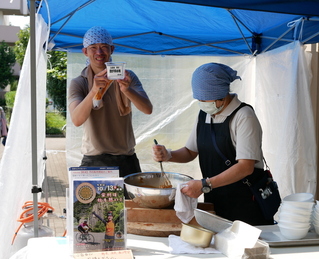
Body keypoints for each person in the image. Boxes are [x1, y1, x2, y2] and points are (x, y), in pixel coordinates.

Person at [152, 62, 273, 226]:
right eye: (199, 98)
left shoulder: (244, 116)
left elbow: (246, 166)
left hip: (245, 203)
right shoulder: (205, 114)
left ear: (221, 94)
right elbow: (190, 151)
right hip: (215, 200)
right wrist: (169, 155)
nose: (201, 102)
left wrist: (204, 184)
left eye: (204, 97)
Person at [68, 26, 153, 177]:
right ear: (85, 52)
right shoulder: (79, 83)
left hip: (126, 159)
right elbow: (76, 119)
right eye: (93, 48)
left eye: (104, 47)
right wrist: (94, 90)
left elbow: (147, 109)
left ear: (112, 49)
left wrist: (127, 90)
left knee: (132, 201)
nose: (99, 52)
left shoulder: (126, 76)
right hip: (94, 160)